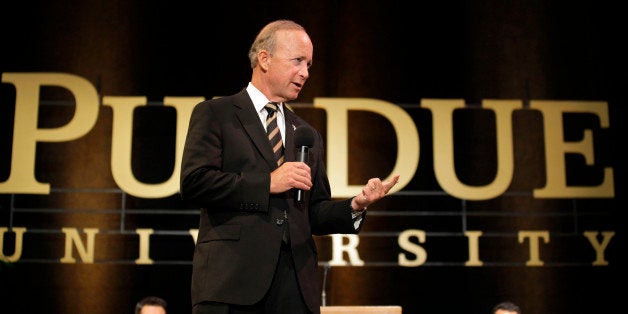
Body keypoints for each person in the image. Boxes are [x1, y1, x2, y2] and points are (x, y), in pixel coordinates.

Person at [180, 19, 400, 314]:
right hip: (232, 283)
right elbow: (195, 183)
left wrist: (356, 205)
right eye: (298, 61)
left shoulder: (305, 132)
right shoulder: (216, 113)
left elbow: (314, 212)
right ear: (264, 59)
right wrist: (267, 182)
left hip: (295, 288)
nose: (305, 73)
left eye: (309, 64)